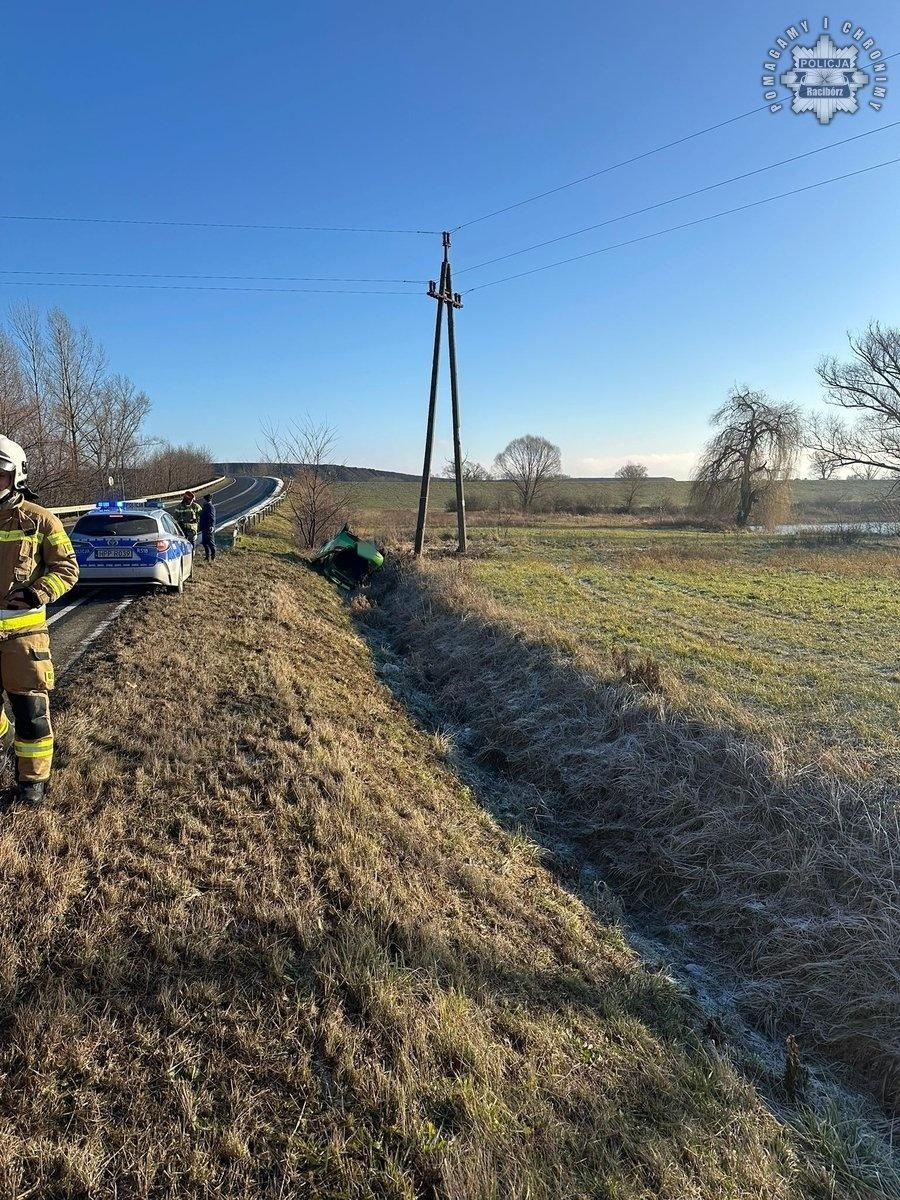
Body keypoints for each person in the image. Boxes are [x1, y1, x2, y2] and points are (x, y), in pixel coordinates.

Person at [0, 436, 79, 805]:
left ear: (16, 476)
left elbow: (67, 569)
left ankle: (32, 785)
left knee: (31, 716)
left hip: (24, 638)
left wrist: (36, 593)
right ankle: (4, 747)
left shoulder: (40, 520)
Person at [199, 494, 216, 561]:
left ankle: (213, 557)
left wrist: (211, 526)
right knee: (204, 543)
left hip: (208, 528)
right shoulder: (206, 506)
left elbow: (212, 517)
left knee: (211, 543)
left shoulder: (210, 507)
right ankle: (207, 556)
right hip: (204, 527)